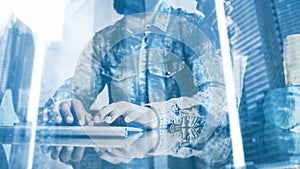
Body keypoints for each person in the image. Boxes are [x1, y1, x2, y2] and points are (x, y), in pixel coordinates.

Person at [42, 0, 231, 166]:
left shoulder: (192, 29)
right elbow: (76, 90)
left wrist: (157, 116)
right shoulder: (104, 41)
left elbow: (222, 106)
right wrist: (63, 107)